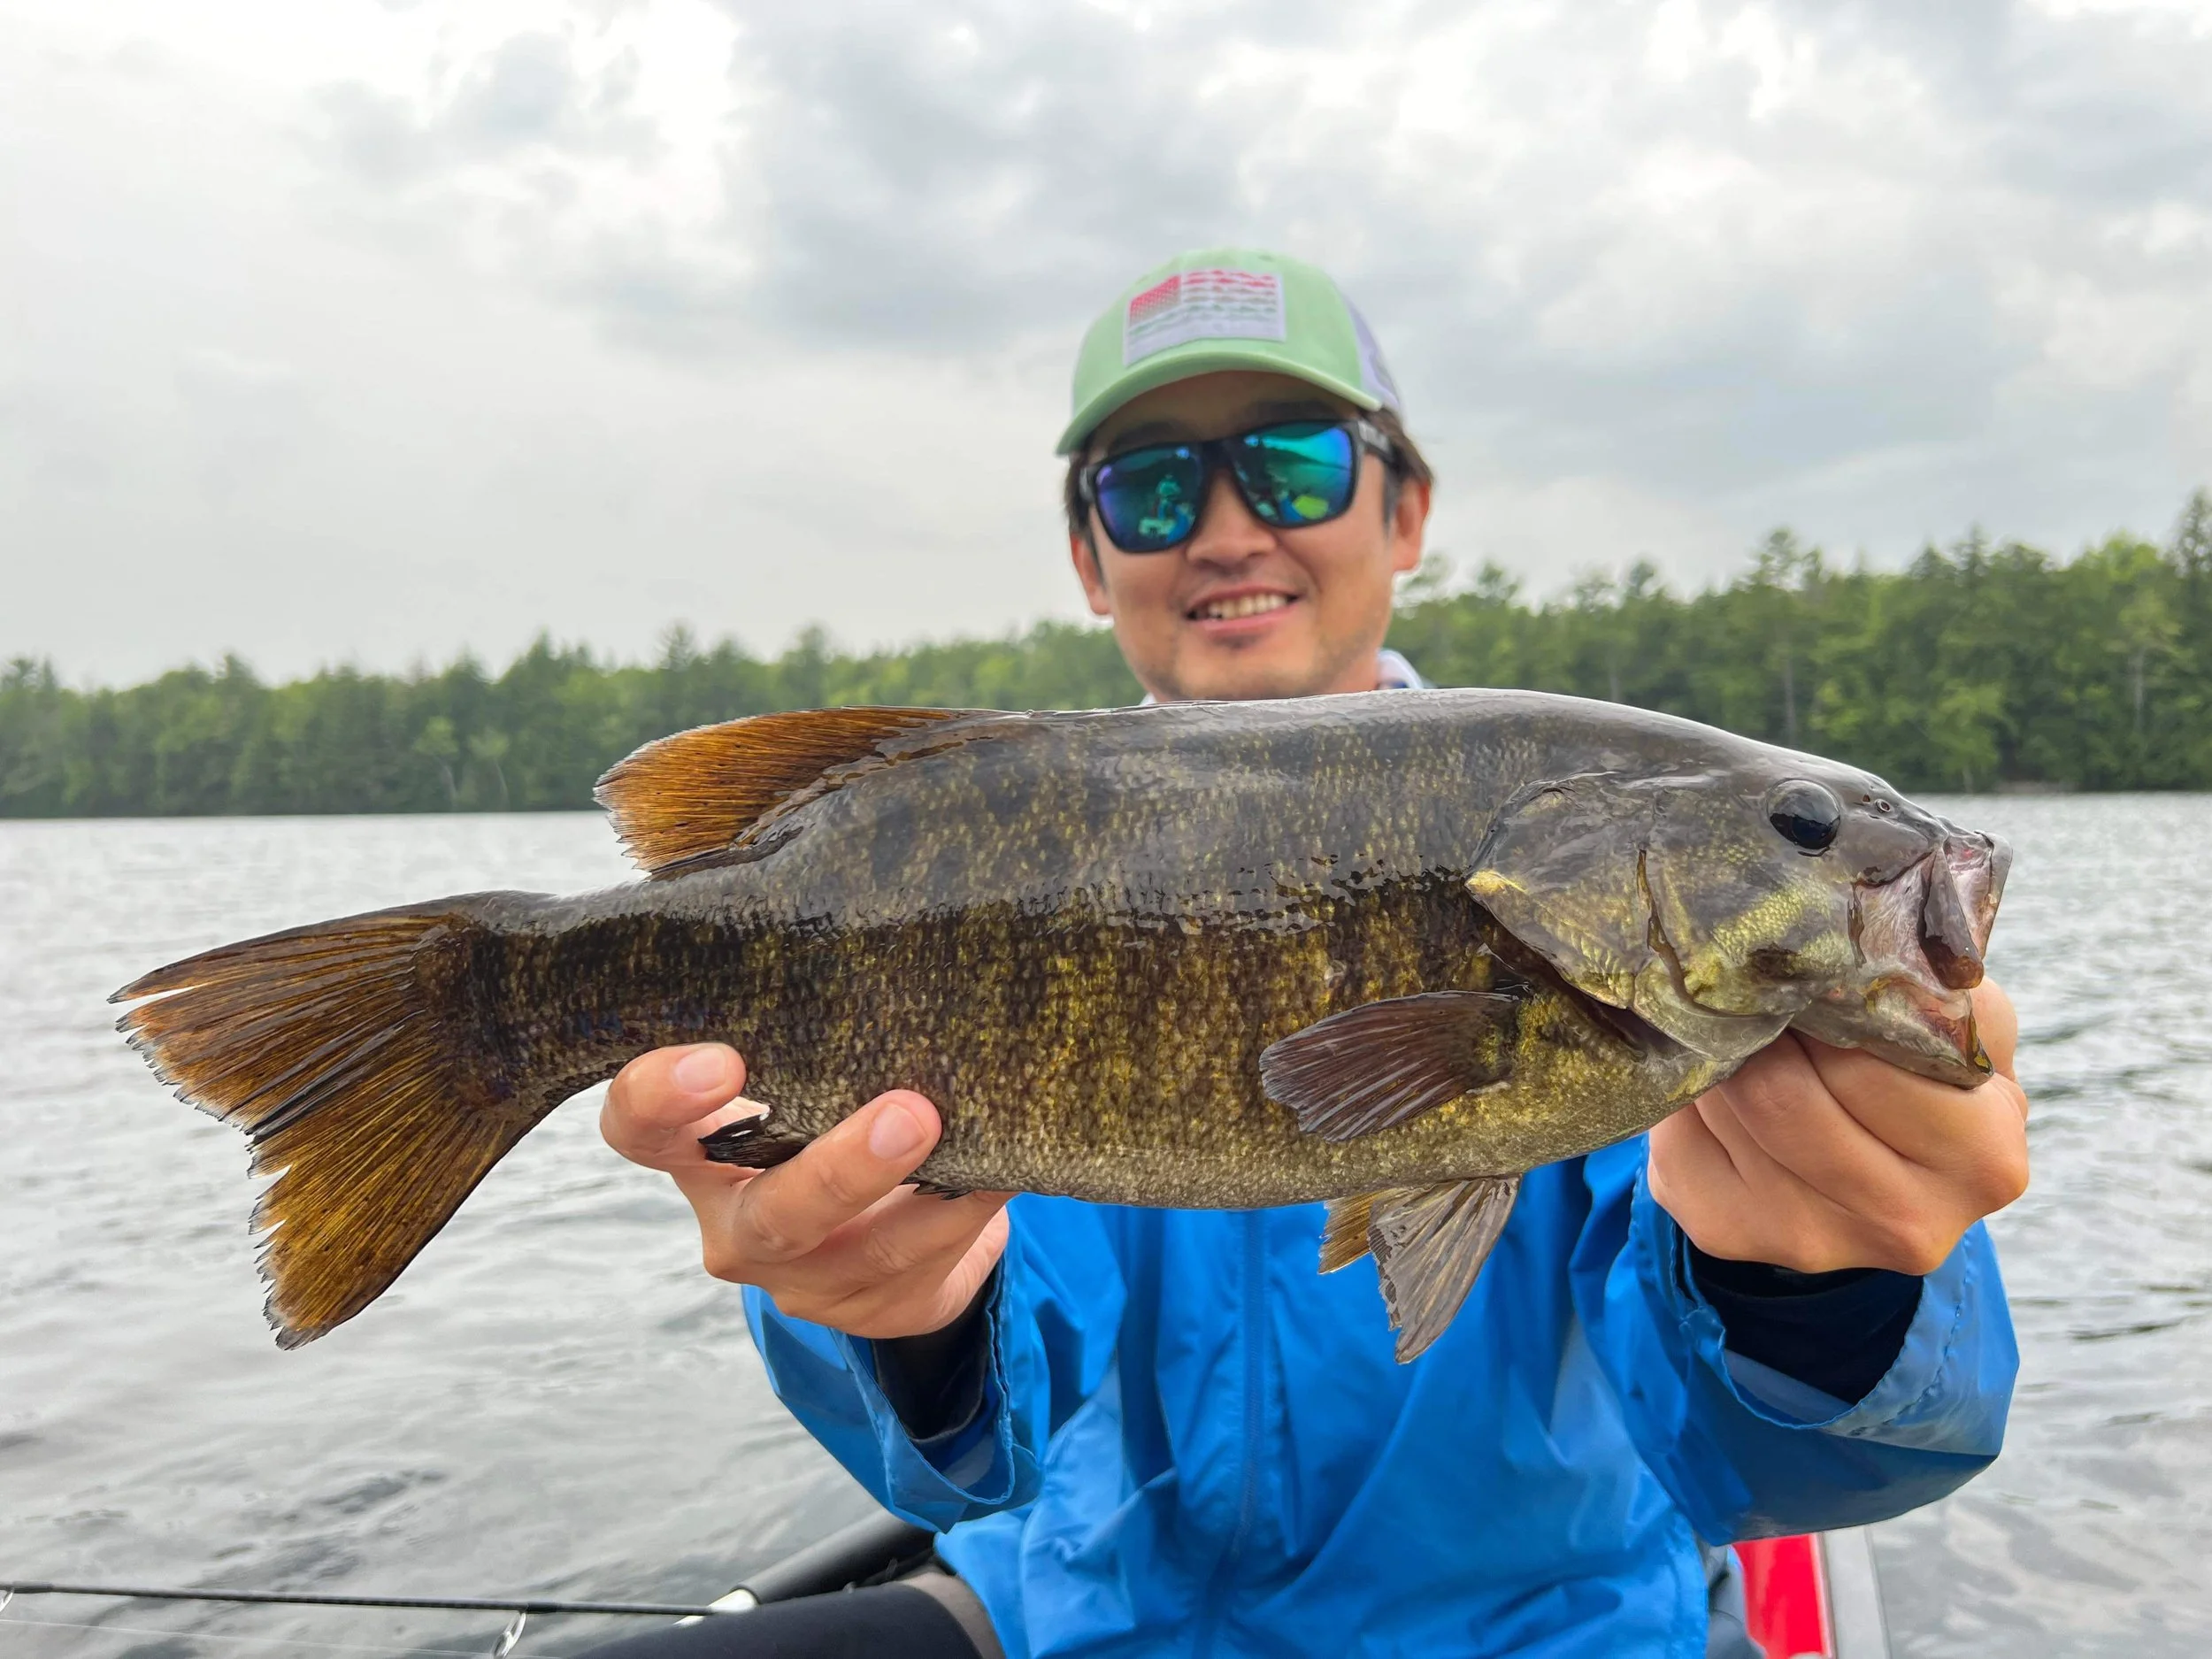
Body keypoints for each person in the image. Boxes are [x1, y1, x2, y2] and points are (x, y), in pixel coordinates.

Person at [585, 250, 2028, 1658]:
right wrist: (894, 1315)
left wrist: (1825, 1284)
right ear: (1091, 560)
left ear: (1405, 513)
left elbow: (1797, 1463)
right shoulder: (1028, 851)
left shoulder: (1602, 921)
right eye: (1150, 486)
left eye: (1296, 464)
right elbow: (990, 1417)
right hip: (1092, 1616)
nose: (1226, 527)